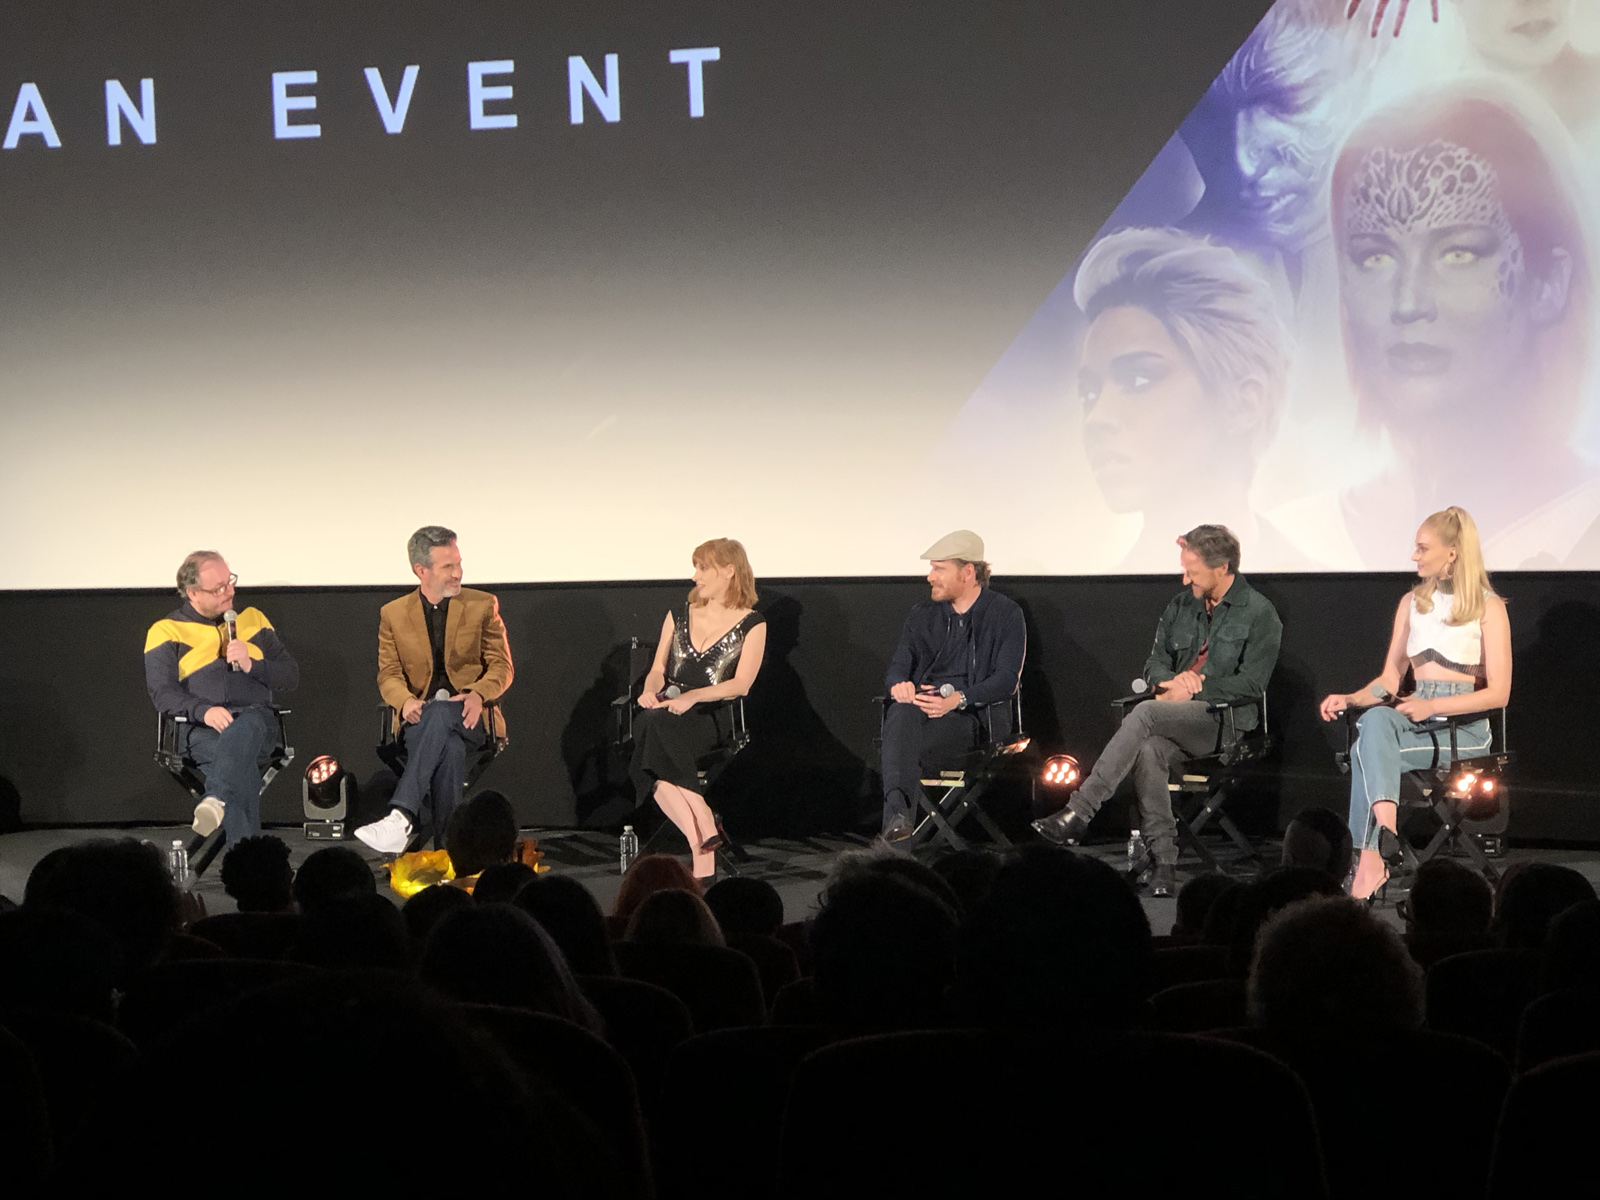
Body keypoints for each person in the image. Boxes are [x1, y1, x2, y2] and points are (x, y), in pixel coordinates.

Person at [1327, 88, 1597, 568]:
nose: (1408, 303)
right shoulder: (1302, 535)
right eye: (1375, 257)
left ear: (1548, 282)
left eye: (1458, 253)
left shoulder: (1583, 524)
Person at [1033, 525, 1282, 896]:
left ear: (1222, 567)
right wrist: (1172, 682)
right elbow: (1154, 664)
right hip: (1172, 714)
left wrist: (1196, 690)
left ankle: (1080, 811)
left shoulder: (1260, 613)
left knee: (1146, 713)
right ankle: (1165, 864)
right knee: (1149, 751)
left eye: (1192, 571)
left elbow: (1252, 684)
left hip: (1222, 721)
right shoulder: (1180, 606)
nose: (1185, 579)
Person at [1072, 229, 1300, 570]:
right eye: (1089, 394)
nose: (1095, 418)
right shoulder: (1093, 597)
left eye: (1138, 379)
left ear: (1244, 403)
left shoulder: (1321, 584)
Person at [1319, 506, 1512, 900]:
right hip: (1416, 714)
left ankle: (1369, 857)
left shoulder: (1488, 607)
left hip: (1463, 728)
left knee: (1362, 751)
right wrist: (1352, 698)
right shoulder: (1411, 603)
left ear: (1452, 553)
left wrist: (1432, 708)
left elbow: (1499, 694)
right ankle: (1385, 836)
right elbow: (1390, 681)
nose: (1414, 556)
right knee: (1375, 719)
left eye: (1423, 548)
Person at [355, 526, 513, 855]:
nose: (458, 573)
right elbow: (389, 674)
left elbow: (502, 667)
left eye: (459, 563)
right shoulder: (393, 614)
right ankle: (449, 855)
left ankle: (401, 816)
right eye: (447, 567)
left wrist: (478, 694)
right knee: (449, 750)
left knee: (441, 714)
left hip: (471, 716)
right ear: (421, 570)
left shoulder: (482, 605)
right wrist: (404, 701)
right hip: (419, 719)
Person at [630, 538, 767, 880]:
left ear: (729, 571)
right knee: (651, 721)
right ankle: (701, 836)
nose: (695, 576)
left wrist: (693, 697)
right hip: (666, 712)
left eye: (704, 568)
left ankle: (702, 826)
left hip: (710, 716)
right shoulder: (678, 614)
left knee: (649, 746)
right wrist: (649, 690)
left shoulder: (753, 623)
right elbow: (658, 670)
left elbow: (741, 684)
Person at [879, 530, 1026, 842]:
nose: (930, 576)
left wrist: (958, 699)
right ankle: (897, 817)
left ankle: (895, 846)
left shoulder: (1005, 613)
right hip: (921, 712)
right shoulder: (922, 615)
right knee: (900, 715)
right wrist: (899, 685)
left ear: (968, 572)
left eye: (939, 568)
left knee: (901, 748)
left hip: (972, 718)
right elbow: (898, 666)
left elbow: (1006, 680)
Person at [144, 551, 299, 842]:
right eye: (218, 588)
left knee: (248, 724)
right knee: (240, 769)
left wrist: (253, 665)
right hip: (201, 731)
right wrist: (203, 711)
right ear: (192, 593)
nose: (229, 591)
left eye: (230, 582)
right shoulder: (166, 631)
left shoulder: (254, 620)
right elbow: (162, 694)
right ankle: (248, 860)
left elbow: (290, 677)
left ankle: (215, 798)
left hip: (257, 725)